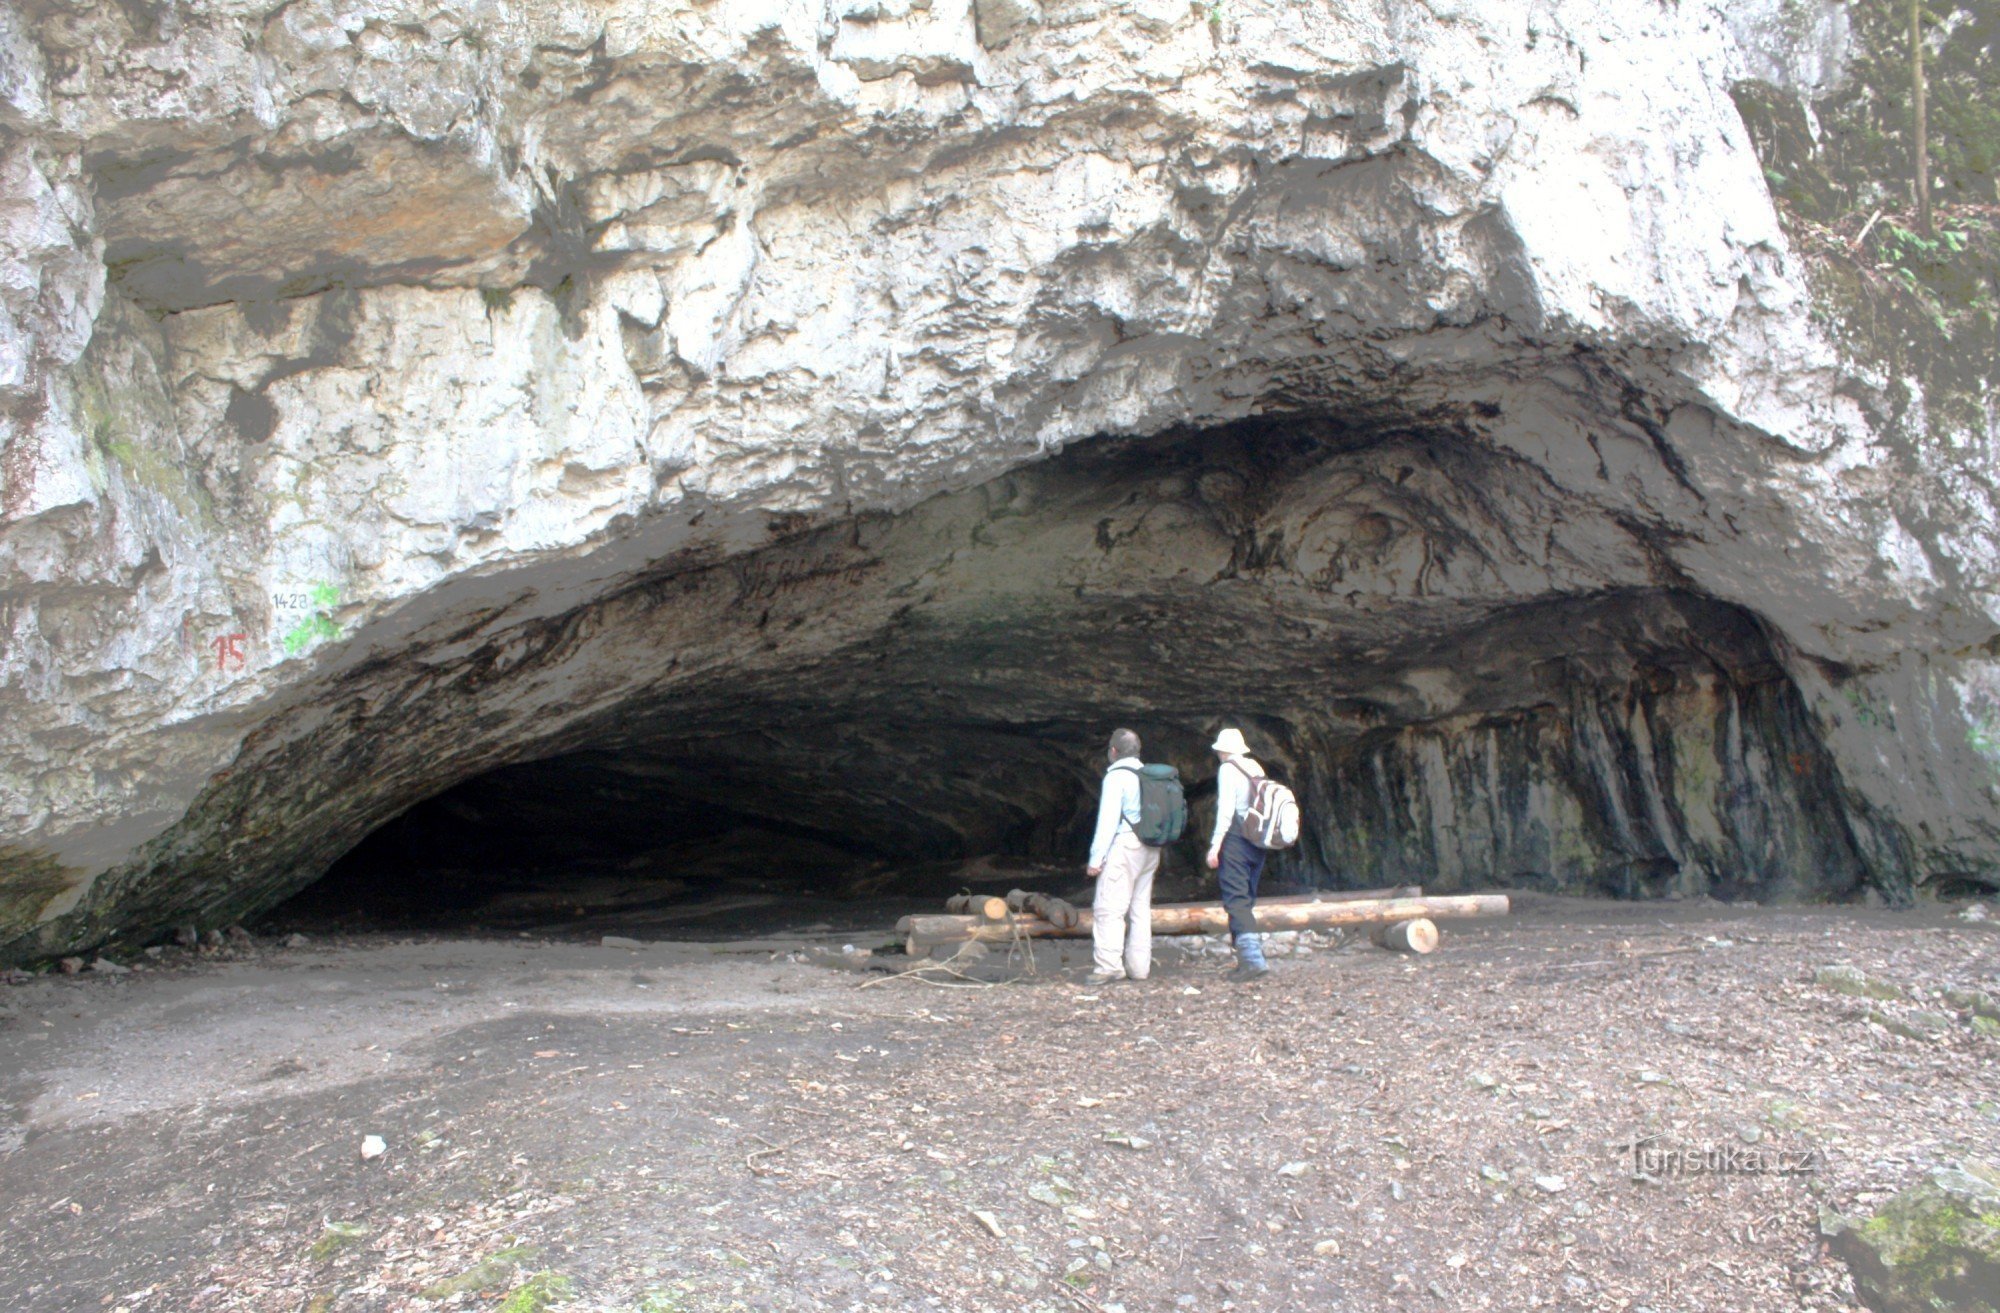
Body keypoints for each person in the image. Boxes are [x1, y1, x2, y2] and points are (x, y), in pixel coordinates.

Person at [1084, 727, 1159, 985]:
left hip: (1126, 846)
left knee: (1109, 908)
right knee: (1140, 908)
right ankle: (1140, 968)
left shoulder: (1116, 777)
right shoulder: (1149, 774)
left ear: (1113, 751)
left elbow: (1107, 822)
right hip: (1150, 847)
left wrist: (1096, 860)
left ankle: (1108, 967)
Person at [1206, 726, 1269, 980]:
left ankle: (1253, 960)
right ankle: (1247, 959)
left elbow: (1226, 810)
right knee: (1247, 897)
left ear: (1222, 750)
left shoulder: (1227, 769)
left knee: (1236, 899)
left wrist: (1215, 845)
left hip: (1237, 839)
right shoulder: (1256, 767)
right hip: (1258, 841)